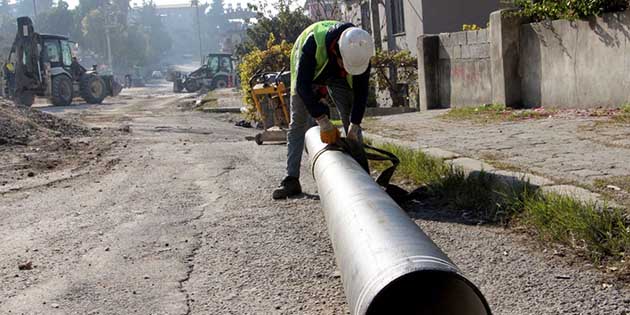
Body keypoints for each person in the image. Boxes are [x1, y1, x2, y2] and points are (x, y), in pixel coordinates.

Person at [272, 21, 375, 200]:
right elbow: (303, 87)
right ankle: (291, 180)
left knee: (349, 111)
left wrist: (354, 125)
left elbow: (361, 93)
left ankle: (363, 176)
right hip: (309, 71)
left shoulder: (360, 51)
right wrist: (322, 120)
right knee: (298, 123)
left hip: (336, 73)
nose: (346, 68)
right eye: (344, 64)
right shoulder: (313, 44)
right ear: (337, 51)